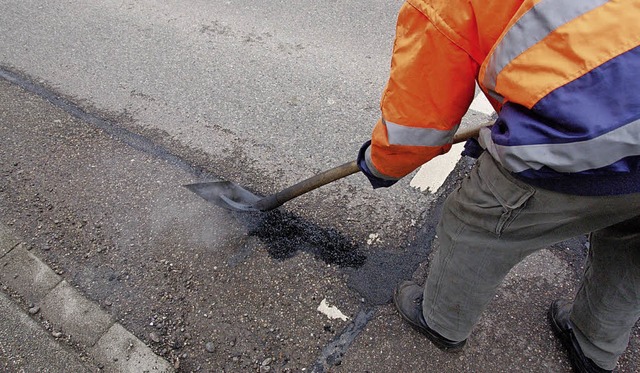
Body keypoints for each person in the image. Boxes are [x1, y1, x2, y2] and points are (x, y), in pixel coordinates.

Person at [356, 1, 640, 372]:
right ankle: (594, 346)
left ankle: (442, 321)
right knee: (631, 241)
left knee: (476, 225)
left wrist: (381, 165)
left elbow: (416, 123)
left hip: (581, 146)